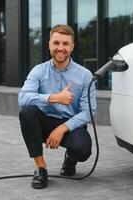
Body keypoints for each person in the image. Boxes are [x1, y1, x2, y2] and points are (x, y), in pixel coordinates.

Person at [18, 24, 96, 189]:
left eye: (65, 44)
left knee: (82, 150)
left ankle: (70, 157)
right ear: (49, 45)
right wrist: (54, 98)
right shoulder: (38, 71)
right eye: (56, 43)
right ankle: (40, 168)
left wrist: (62, 129)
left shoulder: (85, 75)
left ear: (72, 46)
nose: (60, 48)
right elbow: (22, 98)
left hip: (70, 125)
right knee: (27, 113)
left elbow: (88, 111)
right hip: (45, 122)